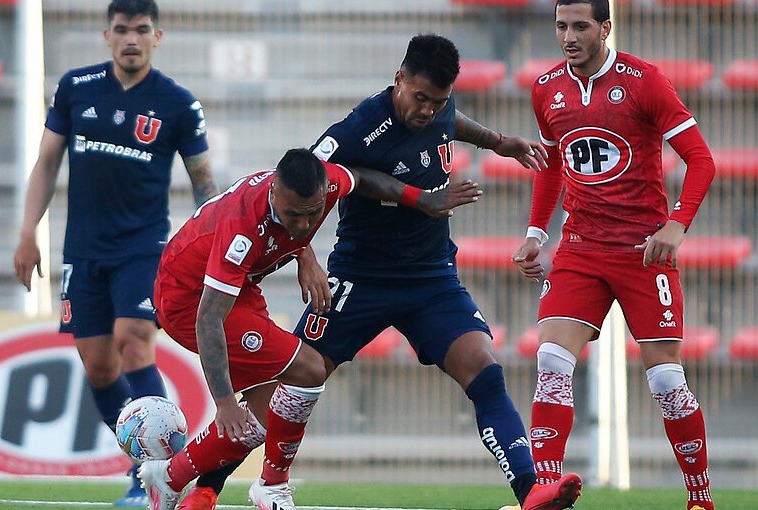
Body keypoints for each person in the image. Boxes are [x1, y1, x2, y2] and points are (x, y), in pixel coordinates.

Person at [181, 34, 582, 510]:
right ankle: (208, 486)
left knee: (485, 370)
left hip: (431, 278)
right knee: (289, 381)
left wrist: (499, 142)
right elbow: (302, 175)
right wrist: (304, 250)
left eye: (438, 101)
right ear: (399, 79)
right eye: (420, 98)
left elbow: (452, 123)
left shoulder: (439, 110)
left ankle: (530, 491)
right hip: (359, 278)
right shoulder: (359, 126)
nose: (428, 111)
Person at [138, 148, 482, 510]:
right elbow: (208, 318)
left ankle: (170, 476)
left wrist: (420, 199)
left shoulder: (327, 183)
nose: (303, 224)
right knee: (309, 369)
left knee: (268, 406)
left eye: (312, 214)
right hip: (189, 299)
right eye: (293, 215)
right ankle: (271, 485)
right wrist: (223, 403)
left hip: (239, 288)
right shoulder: (242, 227)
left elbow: (362, 178)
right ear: (273, 194)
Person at [12, 0, 219, 506]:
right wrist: (26, 232)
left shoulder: (178, 103)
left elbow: (203, 179)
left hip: (143, 248)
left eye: (141, 30)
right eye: (122, 29)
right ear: (107, 35)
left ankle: (166, 469)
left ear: (157, 36)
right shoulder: (76, 88)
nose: (132, 38)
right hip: (82, 251)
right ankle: (142, 466)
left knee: (133, 341)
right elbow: (45, 163)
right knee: (99, 368)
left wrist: (212, 242)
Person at [510, 2, 716, 510]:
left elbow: (702, 161)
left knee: (667, 379)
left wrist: (676, 224)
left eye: (580, 27)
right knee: (551, 359)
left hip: (644, 251)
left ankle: (699, 496)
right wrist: (537, 231)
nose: (569, 37)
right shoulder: (546, 89)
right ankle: (545, 490)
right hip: (581, 248)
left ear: (605, 27)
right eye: (561, 26)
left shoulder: (645, 82)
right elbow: (553, 162)